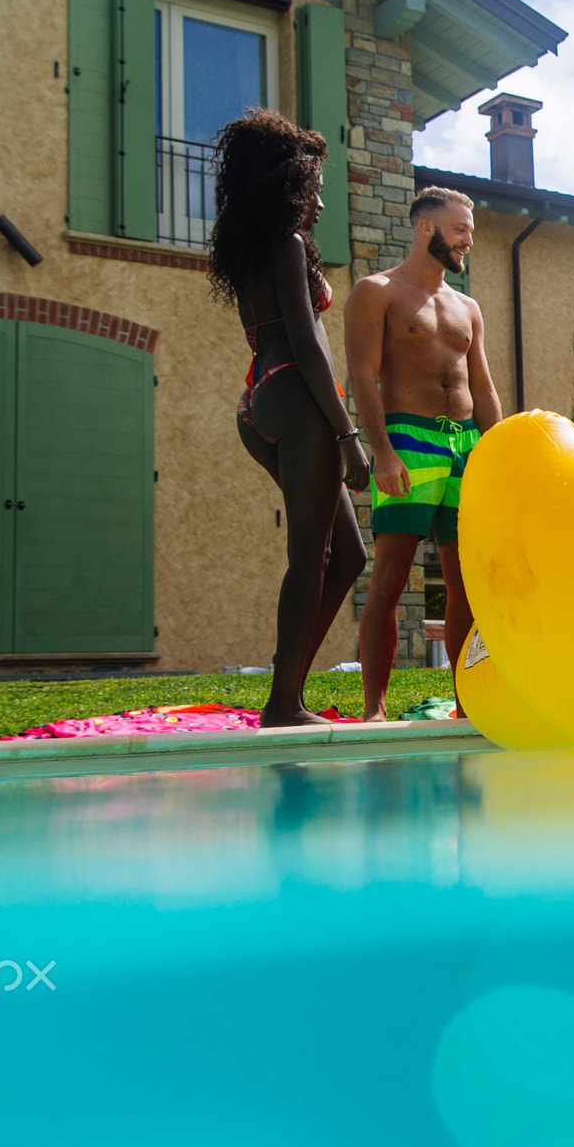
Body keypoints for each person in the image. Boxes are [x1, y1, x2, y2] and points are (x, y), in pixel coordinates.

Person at [212, 110, 371, 729]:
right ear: (288, 184)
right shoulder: (286, 243)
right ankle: (283, 705)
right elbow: (308, 345)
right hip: (299, 397)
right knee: (311, 554)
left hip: (262, 401)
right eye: (315, 185)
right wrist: (348, 435)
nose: (323, 200)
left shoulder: (249, 246)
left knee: (348, 557)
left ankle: (289, 685)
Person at [345, 187, 503, 721]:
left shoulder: (468, 307)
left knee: (465, 583)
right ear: (426, 228)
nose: (468, 241)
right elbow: (362, 377)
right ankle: (374, 708)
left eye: (472, 231)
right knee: (391, 572)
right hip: (408, 438)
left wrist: (498, 453)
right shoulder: (376, 291)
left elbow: (482, 389)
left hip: (466, 444)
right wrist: (381, 452)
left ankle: (465, 704)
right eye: (461, 229)